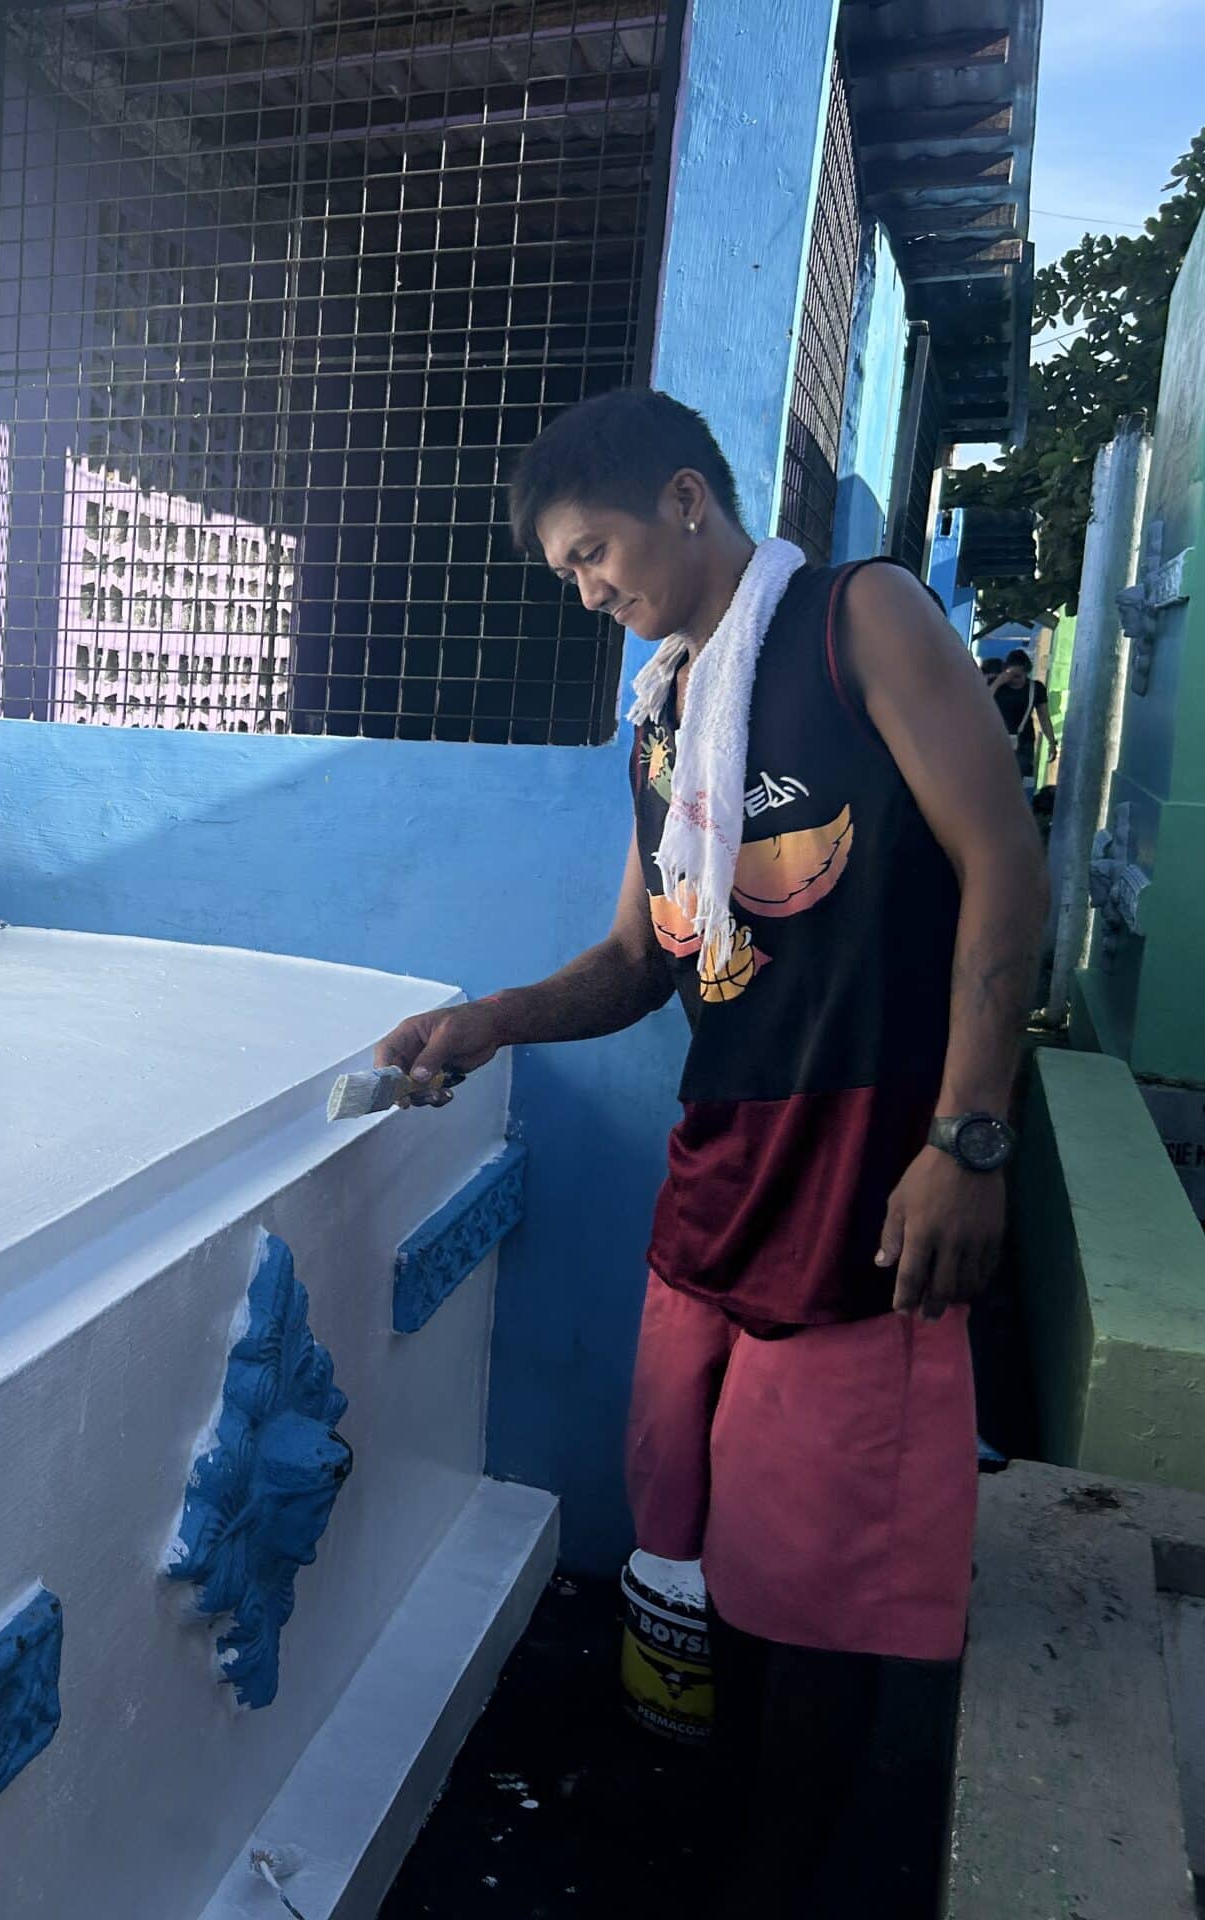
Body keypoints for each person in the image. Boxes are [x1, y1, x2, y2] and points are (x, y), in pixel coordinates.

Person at [374, 389, 1046, 1917]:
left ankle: (779, 1871)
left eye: (593, 553)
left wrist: (970, 1136)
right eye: (568, 577)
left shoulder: (852, 620)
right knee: (706, 1534)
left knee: (820, 1577)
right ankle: (726, 1808)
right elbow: (637, 961)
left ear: (687, 499)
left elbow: (1006, 855)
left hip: (870, 1181)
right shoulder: (672, 713)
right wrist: (488, 1023)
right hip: (723, 1182)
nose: (591, 592)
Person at [985, 648, 1050, 788]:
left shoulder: (1036, 689)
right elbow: (981, 704)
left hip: (1023, 742)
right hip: (995, 740)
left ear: (1026, 673)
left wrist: (1051, 742)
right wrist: (999, 682)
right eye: (1012, 675)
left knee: (1015, 782)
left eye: (1019, 676)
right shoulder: (995, 684)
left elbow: (1044, 717)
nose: (1015, 680)